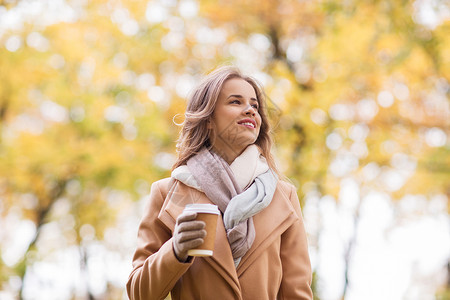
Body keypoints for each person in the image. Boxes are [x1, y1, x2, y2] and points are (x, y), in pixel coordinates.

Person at [127, 66, 313, 300]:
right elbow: (138, 293)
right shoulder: (167, 193)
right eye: (236, 102)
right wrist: (176, 250)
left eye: (254, 105)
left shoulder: (283, 196)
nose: (250, 111)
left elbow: (297, 293)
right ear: (208, 120)